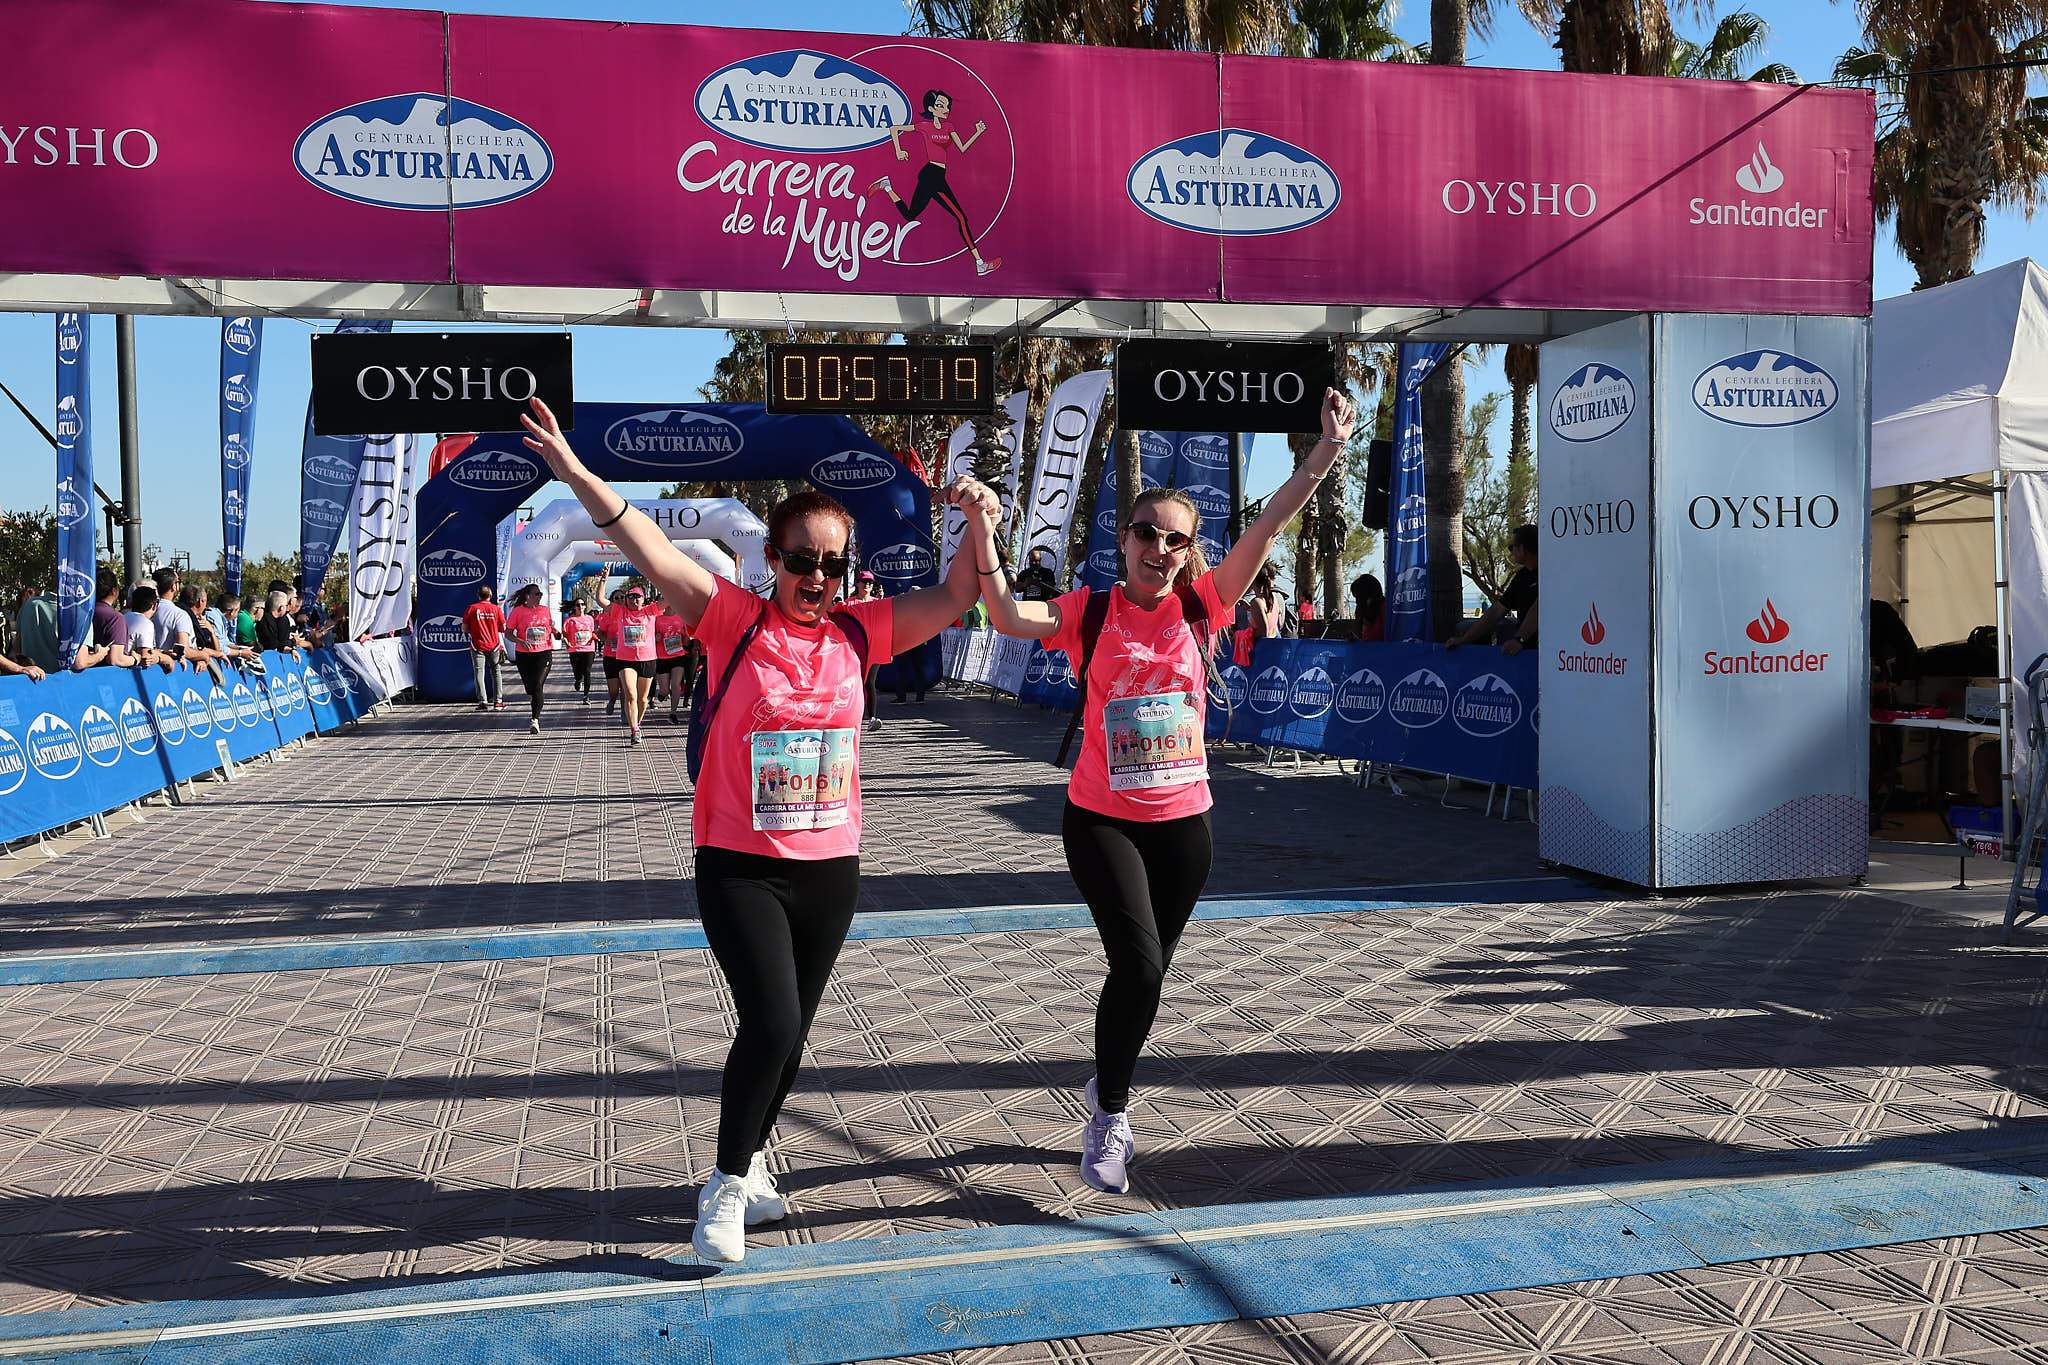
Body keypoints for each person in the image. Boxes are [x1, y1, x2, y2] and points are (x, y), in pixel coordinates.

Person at [518, 396, 982, 1263]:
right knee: (771, 1019)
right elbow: (645, 546)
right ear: (772, 558)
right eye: (802, 560)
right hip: (739, 862)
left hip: (829, 866)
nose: (818, 578)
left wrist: (979, 521)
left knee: (791, 1031)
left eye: (833, 564)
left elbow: (960, 592)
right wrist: (576, 473)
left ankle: (755, 1158)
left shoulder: (861, 630)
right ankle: (725, 1186)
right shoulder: (733, 617)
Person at [969, 386, 1357, 1196]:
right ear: (1125, 537)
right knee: (1141, 967)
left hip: (1185, 828)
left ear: (1188, 550)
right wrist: (982, 528)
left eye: (1175, 538)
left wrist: (1324, 451)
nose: (1159, 546)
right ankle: (1110, 1115)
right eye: (1146, 531)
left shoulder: (1202, 605)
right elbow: (1004, 614)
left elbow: (1268, 526)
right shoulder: (1090, 609)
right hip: (1100, 819)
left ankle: (1106, 1080)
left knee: (1141, 977)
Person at [869, 88, 1001, 277]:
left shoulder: (949, 127)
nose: (945, 109)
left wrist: (977, 132)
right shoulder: (924, 126)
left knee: (910, 215)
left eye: (947, 106)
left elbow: (962, 148)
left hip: (937, 175)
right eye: (940, 105)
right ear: (931, 109)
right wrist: (898, 150)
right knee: (961, 218)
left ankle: (887, 186)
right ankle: (980, 264)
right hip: (931, 175)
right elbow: (894, 129)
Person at [1447, 523, 1537, 655]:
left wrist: (1519, 639)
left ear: (1522, 549)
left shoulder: (1549, 576)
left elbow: (1540, 609)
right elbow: (1497, 611)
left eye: (1511, 547)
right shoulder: (1522, 577)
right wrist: (1465, 639)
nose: (1510, 552)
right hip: (1523, 650)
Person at [605, 583, 662, 745]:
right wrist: (603, 580)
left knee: (643, 700)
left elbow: (670, 599)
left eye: (637, 596)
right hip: (626, 661)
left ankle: (637, 722)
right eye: (630, 596)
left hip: (647, 660)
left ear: (644, 599)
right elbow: (601, 599)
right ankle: (634, 730)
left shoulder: (651, 610)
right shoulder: (620, 612)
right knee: (630, 694)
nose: (633, 599)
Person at [503, 584, 559, 733]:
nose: (539, 597)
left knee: (537, 686)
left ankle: (535, 720)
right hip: (524, 655)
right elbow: (508, 633)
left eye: (540, 594)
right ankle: (534, 699)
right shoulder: (517, 611)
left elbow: (548, 627)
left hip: (543, 653)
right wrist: (520, 641)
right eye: (537, 594)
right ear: (528, 596)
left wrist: (556, 632)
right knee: (530, 689)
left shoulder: (545, 610)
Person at [463, 585, 507, 711]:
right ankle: (498, 702)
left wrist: (474, 630)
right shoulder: (496, 609)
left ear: (478, 595)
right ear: (490, 595)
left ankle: (483, 701)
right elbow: (503, 628)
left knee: (479, 672)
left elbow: (464, 628)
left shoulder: (472, 608)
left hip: (477, 646)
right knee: (496, 672)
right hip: (494, 646)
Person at [849, 572, 883, 731]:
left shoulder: (877, 603)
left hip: (874, 648)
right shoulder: (849, 603)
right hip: (855, 649)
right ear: (857, 583)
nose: (867, 585)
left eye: (870, 582)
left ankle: (872, 718)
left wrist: (882, 602)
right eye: (864, 581)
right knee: (856, 683)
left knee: (870, 682)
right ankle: (851, 717)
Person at [1234, 567, 1285, 668]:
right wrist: (1250, 609)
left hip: (1260, 653)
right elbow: (1277, 624)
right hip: (1275, 648)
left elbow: (1264, 631)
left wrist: (1241, 634)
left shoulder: (1257, 602)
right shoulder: (1273, 598)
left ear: (1252, 581)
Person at [654, 594, 693, 726]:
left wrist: (686, 638)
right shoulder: (657, 619)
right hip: (662, 657)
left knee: (676, 684)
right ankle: (662, 694)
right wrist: (656, 638)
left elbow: (686, 639)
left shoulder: (681, 618)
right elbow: (651, 637)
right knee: (665, 690)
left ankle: (673, 713)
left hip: (678, 655)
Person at [15, 586, 60, 674]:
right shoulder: (74, 610)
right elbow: (80, 662)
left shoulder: (25, 608)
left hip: (32, 674)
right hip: (58, 674)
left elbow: (17, 646)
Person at [562, 598, 599, 704]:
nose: (580, 607)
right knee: (577, 672)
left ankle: (586, 696)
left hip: (589, 649)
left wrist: (595, 636)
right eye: (578, 605)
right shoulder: (570, 620)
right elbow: (564, 634)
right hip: (575, 650)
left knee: (587, 672)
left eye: (582, 604)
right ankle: (578, 680)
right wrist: (567, 642)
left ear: (585, 606)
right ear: (574, 607)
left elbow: (592, 631)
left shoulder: (590, 618)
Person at [1348, 573, 1386, 643]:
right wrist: (1355, 640)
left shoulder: (1386, 609)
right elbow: (1364, 638)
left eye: (1359, 597)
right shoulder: (1361, 610)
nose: (1357, 601)